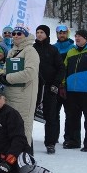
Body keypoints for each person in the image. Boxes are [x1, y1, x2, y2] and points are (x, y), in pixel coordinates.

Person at [0, 25, 40, 149]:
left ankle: (25, 153)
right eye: (14, 33)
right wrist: (1, 76)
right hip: (10, 93)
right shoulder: (12, 51)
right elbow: (5, 68)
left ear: (26, 35)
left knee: (23, 125)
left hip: (24, 94)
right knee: (11, 124)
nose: (15, 35)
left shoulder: (30, 51)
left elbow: (30, 72)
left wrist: (8, 79)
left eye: (19, 34)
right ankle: (12, 153)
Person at [61, 29, 87, 152]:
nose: (77, 38)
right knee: (72, 117)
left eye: (80, 36)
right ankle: (74, 141)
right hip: (72, 91)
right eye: (76, 36)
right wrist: (62, 85)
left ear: (86, 38)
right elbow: (64, 69)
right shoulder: (71, 52)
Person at [33, 25, 65, 154]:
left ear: (47, 34)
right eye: (37, 32)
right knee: (28, 115)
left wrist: (56, 84)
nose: (39, 34)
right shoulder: (31, 49)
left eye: (42, 32)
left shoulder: (53, 50)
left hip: (49, 88)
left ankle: (50, 143)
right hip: (34, 87)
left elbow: (61, 68)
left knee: (51, 116)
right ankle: (25, 140)